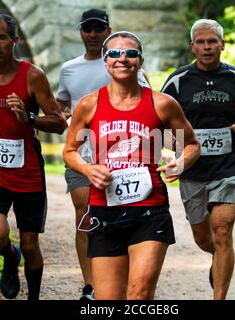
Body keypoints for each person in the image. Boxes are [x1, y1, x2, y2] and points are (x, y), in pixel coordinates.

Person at [63, 31, 200, 300]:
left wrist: (180, 163)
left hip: (149, 212)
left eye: (130, 53)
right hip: (105, 210)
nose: (122, 58)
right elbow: (69, 151)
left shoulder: (162, 104)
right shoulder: (89, 105)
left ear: (140, 60)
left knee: (139, 293)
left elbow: (191, 144)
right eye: (114, 53)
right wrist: (88, 168)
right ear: (105, 61)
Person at [161, 19, 235, 300]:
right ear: (192, 46)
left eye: (212, 42)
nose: (207, 47)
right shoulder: (177, 80)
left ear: (222, 44)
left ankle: (218, 296)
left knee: (222, 231)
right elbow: (163, 120)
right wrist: (173, 155)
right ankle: (217, 257)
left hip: (228, 167)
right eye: (201, 42)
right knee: (204, 239)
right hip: (193, 170)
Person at [0, 14, 67, 300]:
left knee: (31, 244)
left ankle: (33, 296)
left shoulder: (32, 76)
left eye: (2, 38)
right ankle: (11, 258)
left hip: (28, 171)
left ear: (14, 40)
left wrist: (29, 118)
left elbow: (59, 123)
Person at [56, 8, 149, 300]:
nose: (93, 34)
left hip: (123, 158)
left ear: (108, 31)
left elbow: (148, 104)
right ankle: (91, 285)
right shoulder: (69, 69)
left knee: (122, 214)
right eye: (88, 29)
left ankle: (120, 274)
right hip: (82, 156)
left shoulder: (125, 63)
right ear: (81, 32)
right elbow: (60, 102)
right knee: (86, 213)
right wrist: (67, 115)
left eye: (99, 28)